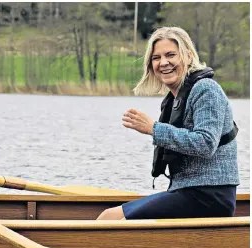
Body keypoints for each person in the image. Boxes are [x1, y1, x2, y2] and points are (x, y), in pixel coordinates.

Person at [97, 26, 239, 220]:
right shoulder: (175, 98)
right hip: (189, 192)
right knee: (108, 217)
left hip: (210, 196)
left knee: (115, 219)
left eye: (171, 55)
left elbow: (206, 143)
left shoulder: (206, 89)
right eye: (156, 58)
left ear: (188, 56)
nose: (163, 63)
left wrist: (153, 129)